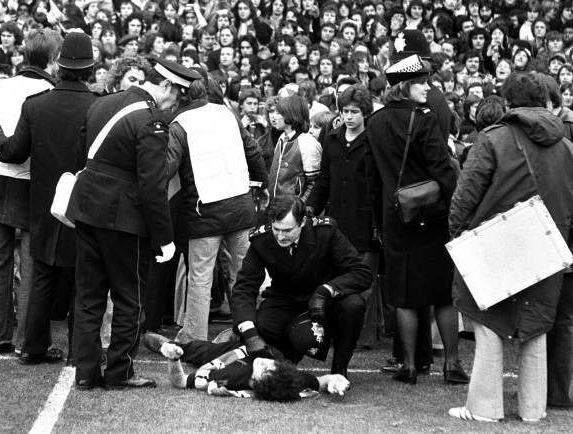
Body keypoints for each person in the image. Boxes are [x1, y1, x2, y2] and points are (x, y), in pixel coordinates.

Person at [448, 72, 573, 422]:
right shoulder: (566, 146)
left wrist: (459, 237)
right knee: (536, 328)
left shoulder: (492, 139)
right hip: (548, 245)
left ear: (508, 103)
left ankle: (485, 408)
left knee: (489, 324)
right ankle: (534, 410)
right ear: (545, 101)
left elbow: (464, 197)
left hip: (495, 241)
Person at [66, 58, 197, 389]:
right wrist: (165, 239)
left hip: (86, 208)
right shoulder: (151, 121)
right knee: (129, 297)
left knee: (88, 296)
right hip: (122, 217)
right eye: (178, 97)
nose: (175, 106)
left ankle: (85, 372)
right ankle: (119, 371)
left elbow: (81, 154)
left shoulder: (103, 103)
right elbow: (152, 186)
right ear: (165, 86)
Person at [0, 31, 98, 365]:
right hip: (81, 200)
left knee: (43, 273)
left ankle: (32, 347)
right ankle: (80, 352)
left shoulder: (36, 104)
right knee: (82, 278)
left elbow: (14, 151)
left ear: (59, 65)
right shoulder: (97, 106)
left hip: (43, 200)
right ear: (90, 69)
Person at [366, 54, 467, 385]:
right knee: (442, 293)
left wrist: (378, 220)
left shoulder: (375, 122)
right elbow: (443, 170)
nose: (427, 88)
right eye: (421, 83)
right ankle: (451, 364)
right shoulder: (423, 120)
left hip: (395, 217)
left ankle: (408, 366)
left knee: (404, 294)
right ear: (404, 87)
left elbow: (373, 177)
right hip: (432, 216)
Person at [167, 73, 269, 344]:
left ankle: (195, 338)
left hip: (205, 212)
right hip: (240, 204)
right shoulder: (227, 113)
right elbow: (254, 151)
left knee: (200, 278)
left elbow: (167, 166)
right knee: (243, 276)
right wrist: (264, 183)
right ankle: (250, 333)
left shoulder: (179, 123)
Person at [0, 29, 63, 355]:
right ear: (53, 59)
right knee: (32, 260)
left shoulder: (1, 86)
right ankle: (27, 340)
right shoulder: (48, 90)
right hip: (30, 180)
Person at [231, 194, 373, 377]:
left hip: (328, 300)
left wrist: (325, 291)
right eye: (276, 229)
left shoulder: (325, 232)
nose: (280, 236)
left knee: (353, 305)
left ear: (303, 222)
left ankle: (340, 369)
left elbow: (361, 273)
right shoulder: (261, 239)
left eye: (288, 230)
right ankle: (287, 361)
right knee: (263, 324)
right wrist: (248, 332)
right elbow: (244, 287)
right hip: (286, 297)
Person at [307, 84, 382, 347]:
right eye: (345, 111)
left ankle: (364, 336)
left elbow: (380, 183)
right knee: (337, 278)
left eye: (355, 112)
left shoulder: (375, 140)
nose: (349, 116)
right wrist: (310, 209)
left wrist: (378, 222)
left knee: (366, 282)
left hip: (366, 220)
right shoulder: (332, 139)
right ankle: (337, 330)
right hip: (337, 220)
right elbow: (323, 180)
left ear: (365, 113)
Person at [143, 331, 350, 401]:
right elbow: (322, 381)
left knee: (198, 350)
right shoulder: (288, 378)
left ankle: (167, 344)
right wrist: (336, 381)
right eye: (273, 366)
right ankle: (233, 332)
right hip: (256, 343)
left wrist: (173, 358)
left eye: (265, 370)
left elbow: (180, 382)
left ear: (256, 382)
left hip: (230, 355)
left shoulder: (230, 379)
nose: (267, 364)